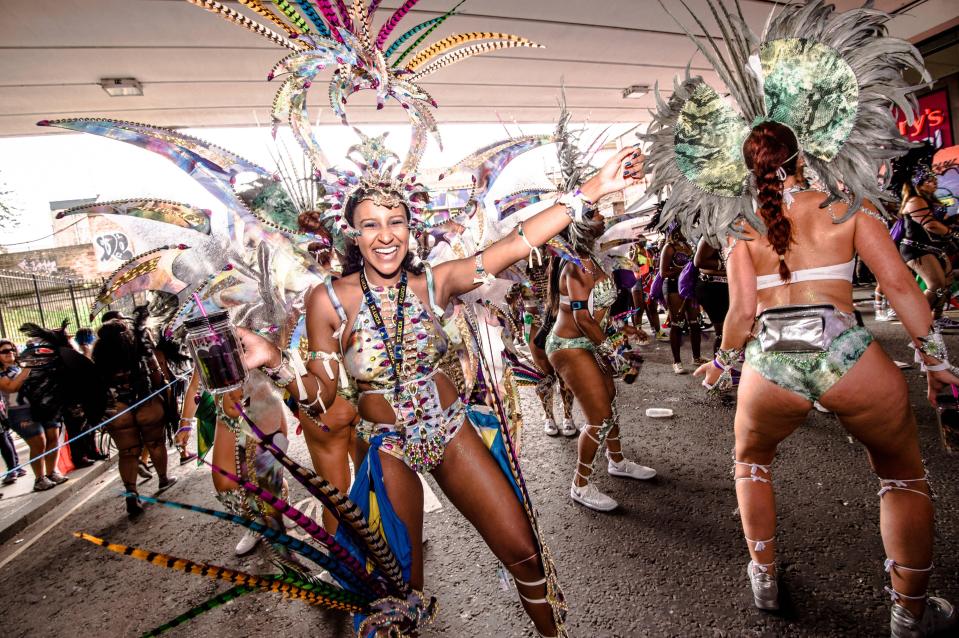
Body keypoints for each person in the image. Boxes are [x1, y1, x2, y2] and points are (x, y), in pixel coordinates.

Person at [239, 143, 644, 637]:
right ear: (354, 233)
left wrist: (593, 190)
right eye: (371, 224)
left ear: (412, 228)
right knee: (396, 594)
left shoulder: (434, 282)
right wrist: (277, 363)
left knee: (523, 550)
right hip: (388, 445)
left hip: (450, 429)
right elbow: (323, 399)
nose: (386, 236)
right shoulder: (328, 300)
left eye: (396, 222)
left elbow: (514, 245)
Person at [696, 121, 957, 634]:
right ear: (802, 157)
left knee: (750, 465)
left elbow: (742, 314)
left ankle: (765, 579)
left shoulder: (742, 229)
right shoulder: (848, 208)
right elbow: (902, 287)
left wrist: (724, 364)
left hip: (770, 362)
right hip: (848, 356)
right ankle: (910, 613)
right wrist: (937, 363)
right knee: (901, 477)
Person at [545, 221, 656, 512]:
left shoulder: (593, 260)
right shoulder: (574, 269)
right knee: (600, 417)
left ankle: (617, 461)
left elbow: (600, 312)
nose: (601, 217)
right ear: (579, 228)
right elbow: (582, 320)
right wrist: (615, 350)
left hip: (590, 341)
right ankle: (580, 484)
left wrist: (624, 330)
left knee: (609, 400)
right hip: (569, 347)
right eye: (592, 213)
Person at [94, 311, 176, 517]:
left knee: (127, 452)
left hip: (118, 408)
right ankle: (164, 479)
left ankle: (131, 492)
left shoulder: (100, 355)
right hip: (146, 402)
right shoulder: (138, 346)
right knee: (155, 443)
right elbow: (156, 373)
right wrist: (165, 396)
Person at [0, 340, 65, 491]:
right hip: (19, 411)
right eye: (4, 351)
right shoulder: (6, 373)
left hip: (42, 406)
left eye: (11, 349)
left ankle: (52, 472)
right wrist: (28, 367)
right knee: (38, 442)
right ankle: (39, 478)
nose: (9, 352)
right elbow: (11, 387)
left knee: (53, 437)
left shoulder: (22, 365)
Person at [898, 164, 958, 328]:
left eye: (934, 180)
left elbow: (941, 222)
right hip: (917, 249)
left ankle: (936, 319)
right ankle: (918, 321)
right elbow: (930, 225)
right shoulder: (915, 200)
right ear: (919, 183)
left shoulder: (929, 200)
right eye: (929, 181)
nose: (934, 183)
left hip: (933, 248)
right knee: (935, 285)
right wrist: (952, 233)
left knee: (945, 284)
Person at [660, 225, 704, 374]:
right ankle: (676, 361)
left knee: (695, 322)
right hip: (673, 287)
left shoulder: (687, 245)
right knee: (677, 323)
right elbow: (663, 272)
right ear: (676, 230)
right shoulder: (669, 247)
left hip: (689, 287)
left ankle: (696, 357)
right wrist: (685, 269)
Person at [694, 237, 729, 355]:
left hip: (725, 286)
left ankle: (725, 367)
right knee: (722, 332)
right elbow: (698, 261)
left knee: (728, 331)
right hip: (713, 288)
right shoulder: (711, 235)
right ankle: (721, 370)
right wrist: (727, 265)